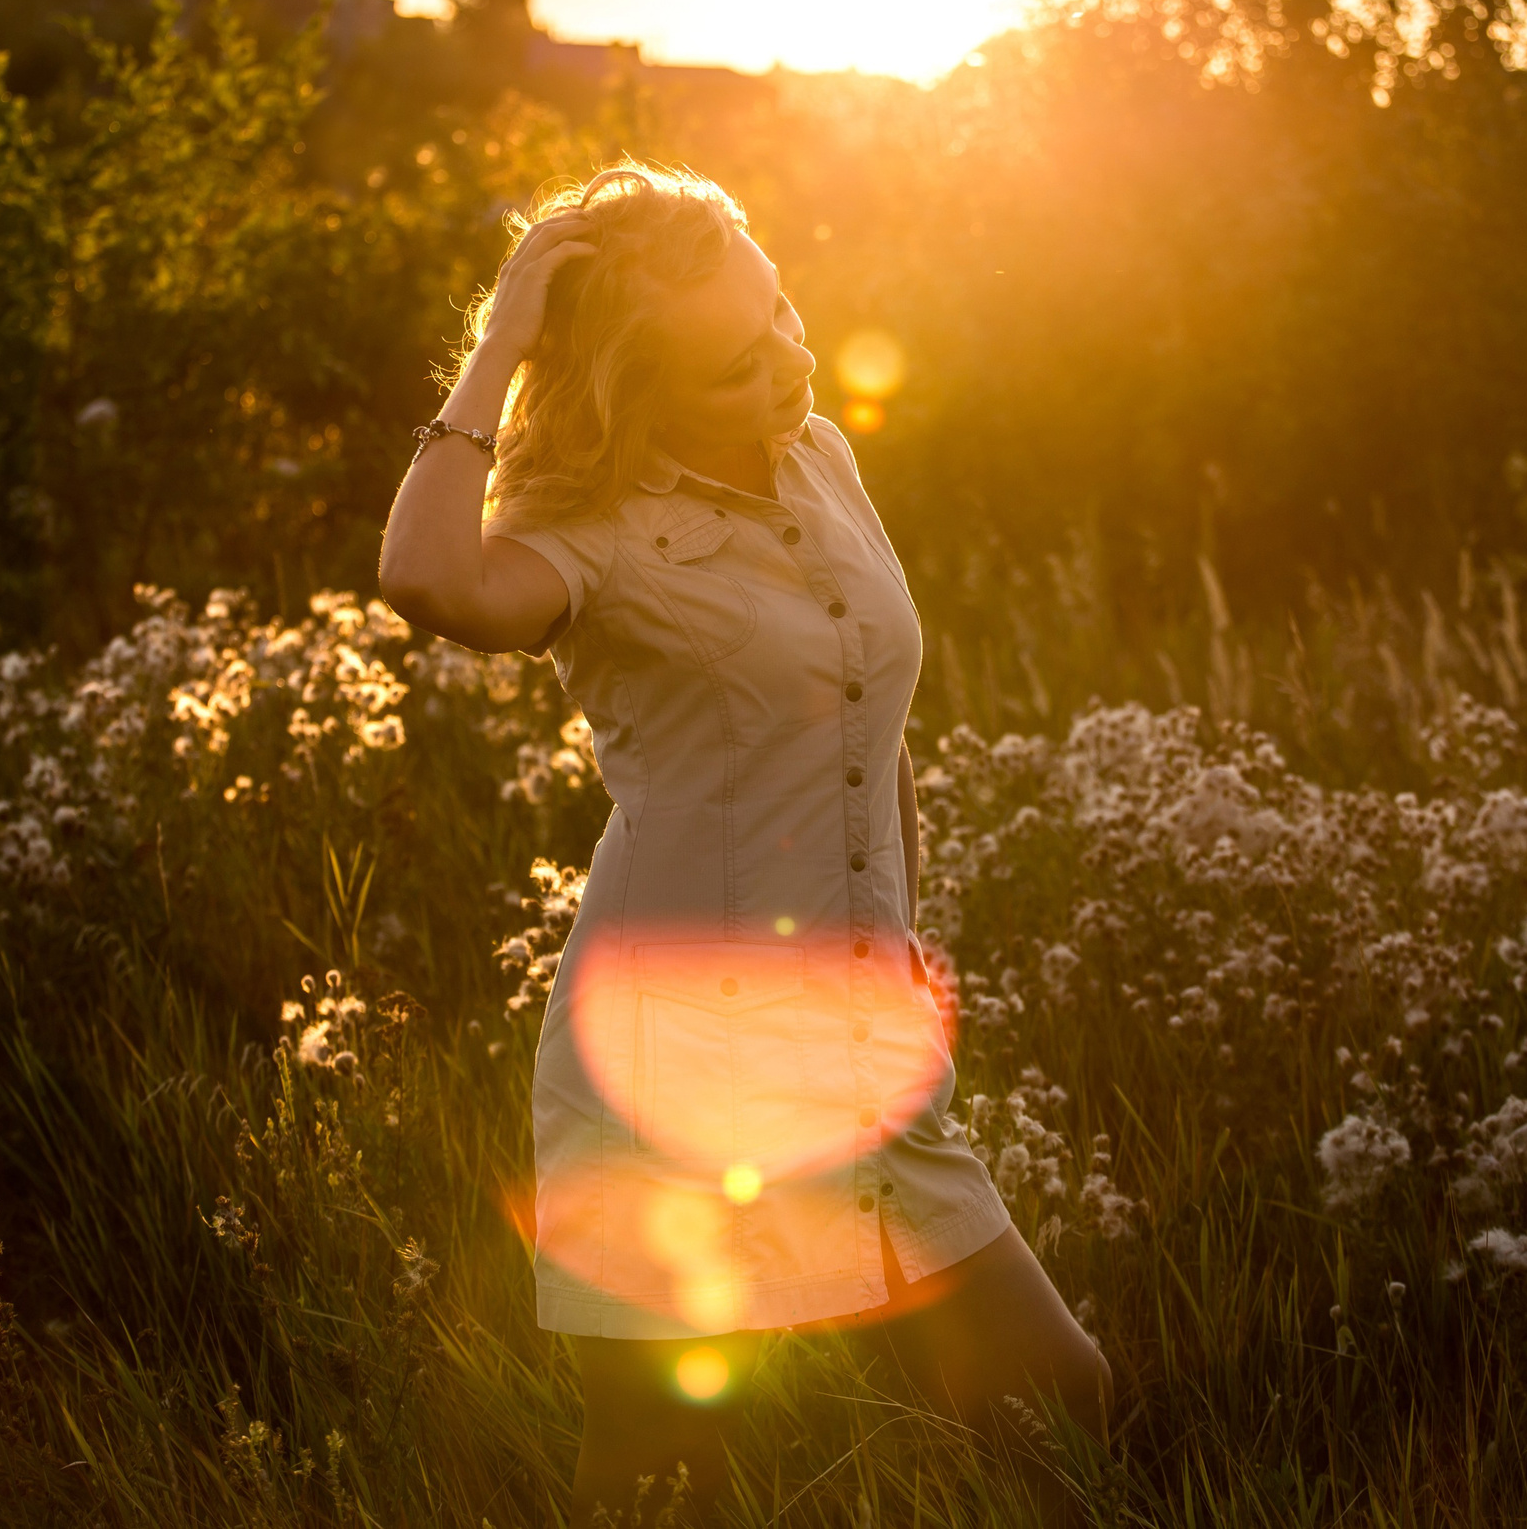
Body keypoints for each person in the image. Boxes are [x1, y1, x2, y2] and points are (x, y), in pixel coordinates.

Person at [379, 162, 1108, 1523]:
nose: (784, 362)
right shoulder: (587, 533)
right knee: (664, 1485)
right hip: (673, 1070)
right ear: (640, 394)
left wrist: (904, 949)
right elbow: (429, 581)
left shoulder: (823, 458)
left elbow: (867, 718)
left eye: (781, 315)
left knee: (1054, 1399)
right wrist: (502, 343)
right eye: (732, 363)